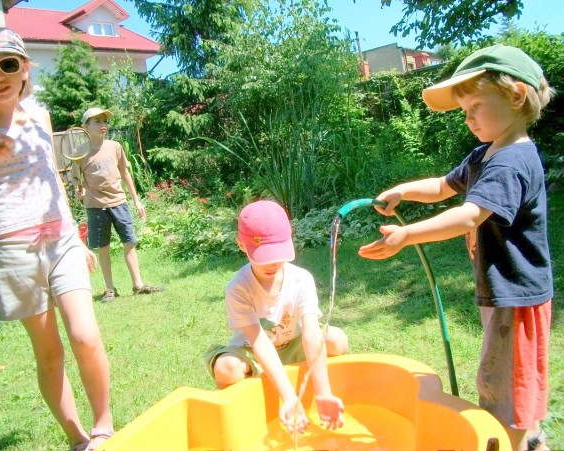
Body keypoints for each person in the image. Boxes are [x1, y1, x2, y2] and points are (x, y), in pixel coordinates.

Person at [358, 45, 554, 451]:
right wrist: (404, 191)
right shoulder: (487, 154)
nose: (468, 119)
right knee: (500, 377)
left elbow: (468, 216)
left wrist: (407, 235)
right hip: (501, 292)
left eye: (476, 105)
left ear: (516, 97)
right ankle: (529, 439)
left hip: (517, 296)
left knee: (505, 387)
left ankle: (519, 442)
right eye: (464, 110)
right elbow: (444, 187)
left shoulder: (512, 161)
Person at [0, 28, 114, 450]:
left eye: (8, 64)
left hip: (61, 238)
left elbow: (53, 181)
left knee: (85, 334)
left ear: (25, 67)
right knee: (49, 352)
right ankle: (78, 439)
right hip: (14, 251)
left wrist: (79, 237)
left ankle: (104, 426)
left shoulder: (41, 116)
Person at [205, 200, 349, 434]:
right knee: (227, 367)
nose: (273, 263)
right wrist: (289, 397)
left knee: (336, 339)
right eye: (265, 256)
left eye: (278, 254)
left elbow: (312, 333)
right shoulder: (238, 288)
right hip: (252, 350)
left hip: (293, 344)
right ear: (241, 245)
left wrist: (323, 392)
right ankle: (245, 407)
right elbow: (259, 340)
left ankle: (309, 384)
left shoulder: (301, 279)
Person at [74, 107, 162, 302]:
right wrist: (79, 192)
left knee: (130, 242)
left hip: (119, 202)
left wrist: (137, 201)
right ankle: (109, 289)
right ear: (85, 127)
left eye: (104, 121)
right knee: (103, 247)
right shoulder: (80, 153)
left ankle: (138, 285)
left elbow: (125, 173)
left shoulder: (115, 147)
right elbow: (76, 182)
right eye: (96, 121)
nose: (102, 124)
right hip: (96, 206)